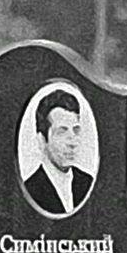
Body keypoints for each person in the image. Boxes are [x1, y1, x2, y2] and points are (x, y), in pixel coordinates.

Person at [21, 88, 94, 219]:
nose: (72, 142)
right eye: (62, 132)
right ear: (42, 141)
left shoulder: (87, 183)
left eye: (76, 130)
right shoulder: (30, 190)